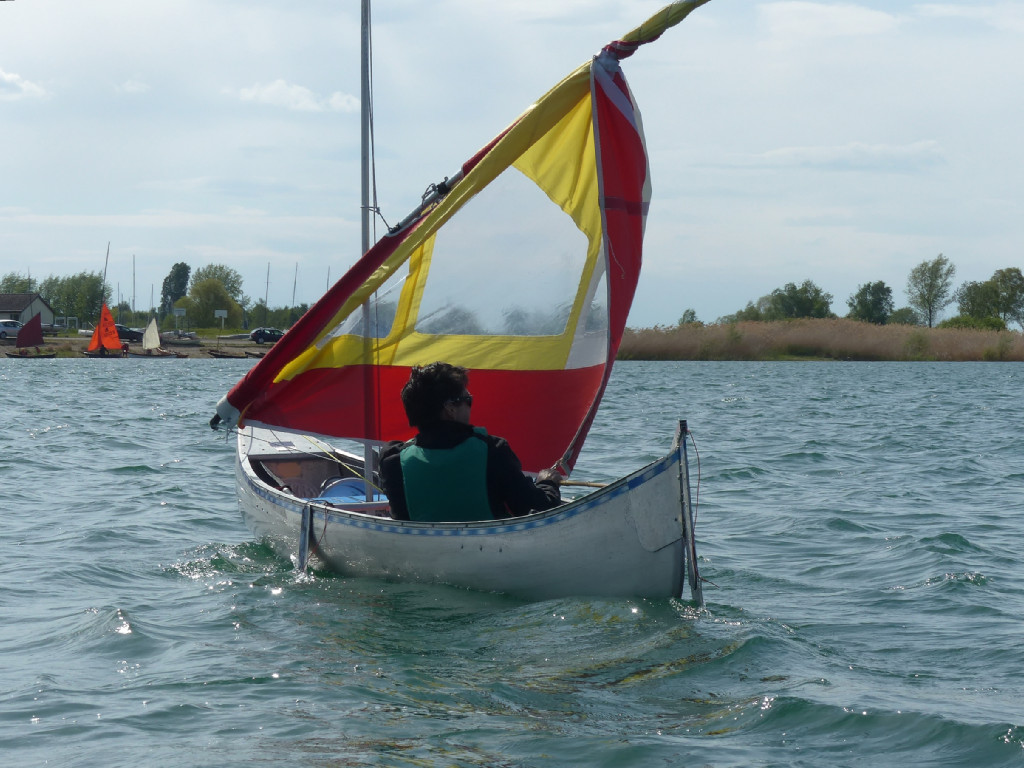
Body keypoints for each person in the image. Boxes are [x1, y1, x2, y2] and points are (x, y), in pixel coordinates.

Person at [379, 362, 561, 522]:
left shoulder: (393, 460)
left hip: (424, 553)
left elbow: (401, 519)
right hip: (490, 552)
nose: (470, 405)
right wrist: (548, 484)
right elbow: (537, 509)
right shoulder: (493, 450)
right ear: (450, 408)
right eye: (468, 400)